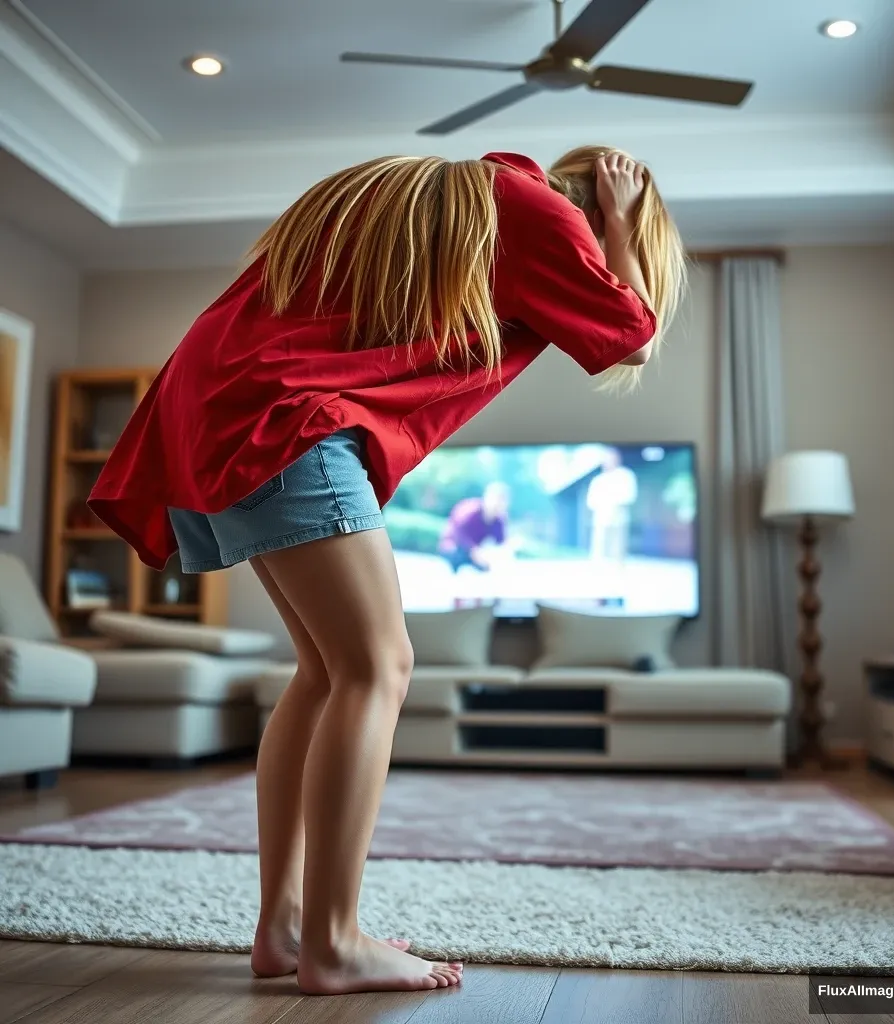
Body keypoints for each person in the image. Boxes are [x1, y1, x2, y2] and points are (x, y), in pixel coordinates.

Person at [87, 147, 686, 996]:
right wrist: (621, 225)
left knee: (327, 674)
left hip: (227, 414)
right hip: (292, 422)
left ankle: (287, 926)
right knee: (380, 666)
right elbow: (629, 331)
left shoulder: (451, 196)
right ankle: (334, 941)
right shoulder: (538, 213)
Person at [438, 481, 512, 572]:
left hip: (475, 553)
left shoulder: (499, 520)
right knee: (459, 557)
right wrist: (474, 551)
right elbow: (458, 533)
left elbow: (500, 543)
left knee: (487, 567)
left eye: (502, 500)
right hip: (454, 547)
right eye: (496, 499)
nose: (498, 504)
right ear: (487, 497)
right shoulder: (470, 511)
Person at [586, 449, 638, 560]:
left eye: (611, 458)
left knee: (618, 550)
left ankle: (618, 572)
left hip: (618, 519)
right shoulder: (598, 480)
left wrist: (613, 503)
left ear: (617, 459)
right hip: (601, 519)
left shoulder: (625, 476)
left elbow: (629, 496)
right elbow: (591, 501)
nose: (608, 461)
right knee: (599, 550)